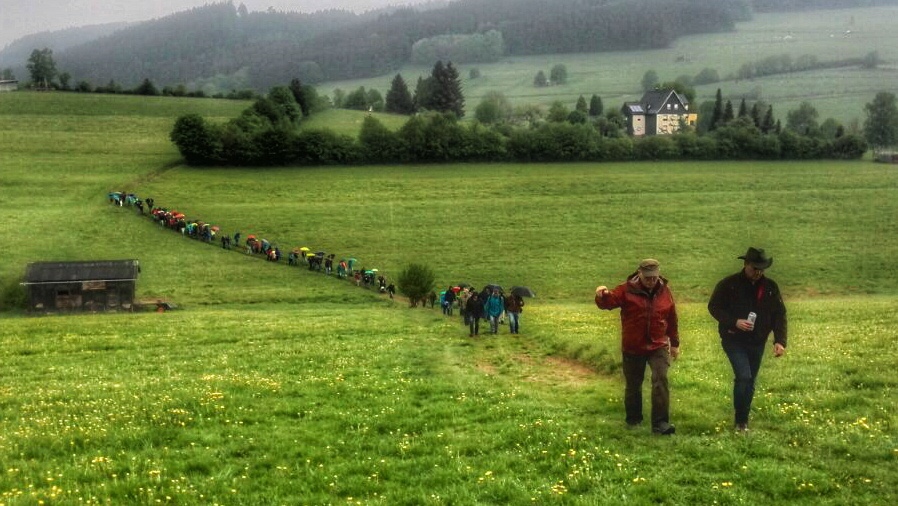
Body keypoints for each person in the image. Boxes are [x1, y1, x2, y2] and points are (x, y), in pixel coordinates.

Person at [595, 259, 680, 435]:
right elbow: (608, 303)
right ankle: (633, 420)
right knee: (634, 385)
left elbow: (671, 317)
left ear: (659, 274)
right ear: (639, 273)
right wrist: (601, 295)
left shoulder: (665, 291)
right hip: (633, 346)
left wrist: (675, 343)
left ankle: (661, 424)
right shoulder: (625, 289)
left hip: (658, 344)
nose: (651, 281)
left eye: (654, 277)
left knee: (661, 379)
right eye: (647, 277)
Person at [708, 247, 787, 432]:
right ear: (745, 264)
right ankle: (740, 421)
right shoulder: (728, 284)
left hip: (757, 341)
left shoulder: (771, 287)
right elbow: (714, 307)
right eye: (754, 268)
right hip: (733, 339)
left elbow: (779, 314)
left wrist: (780, 341)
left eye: (761, 269)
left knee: (750, 381)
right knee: (744, 376)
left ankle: (743, 420)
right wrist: (734, 322)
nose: (758, 272)